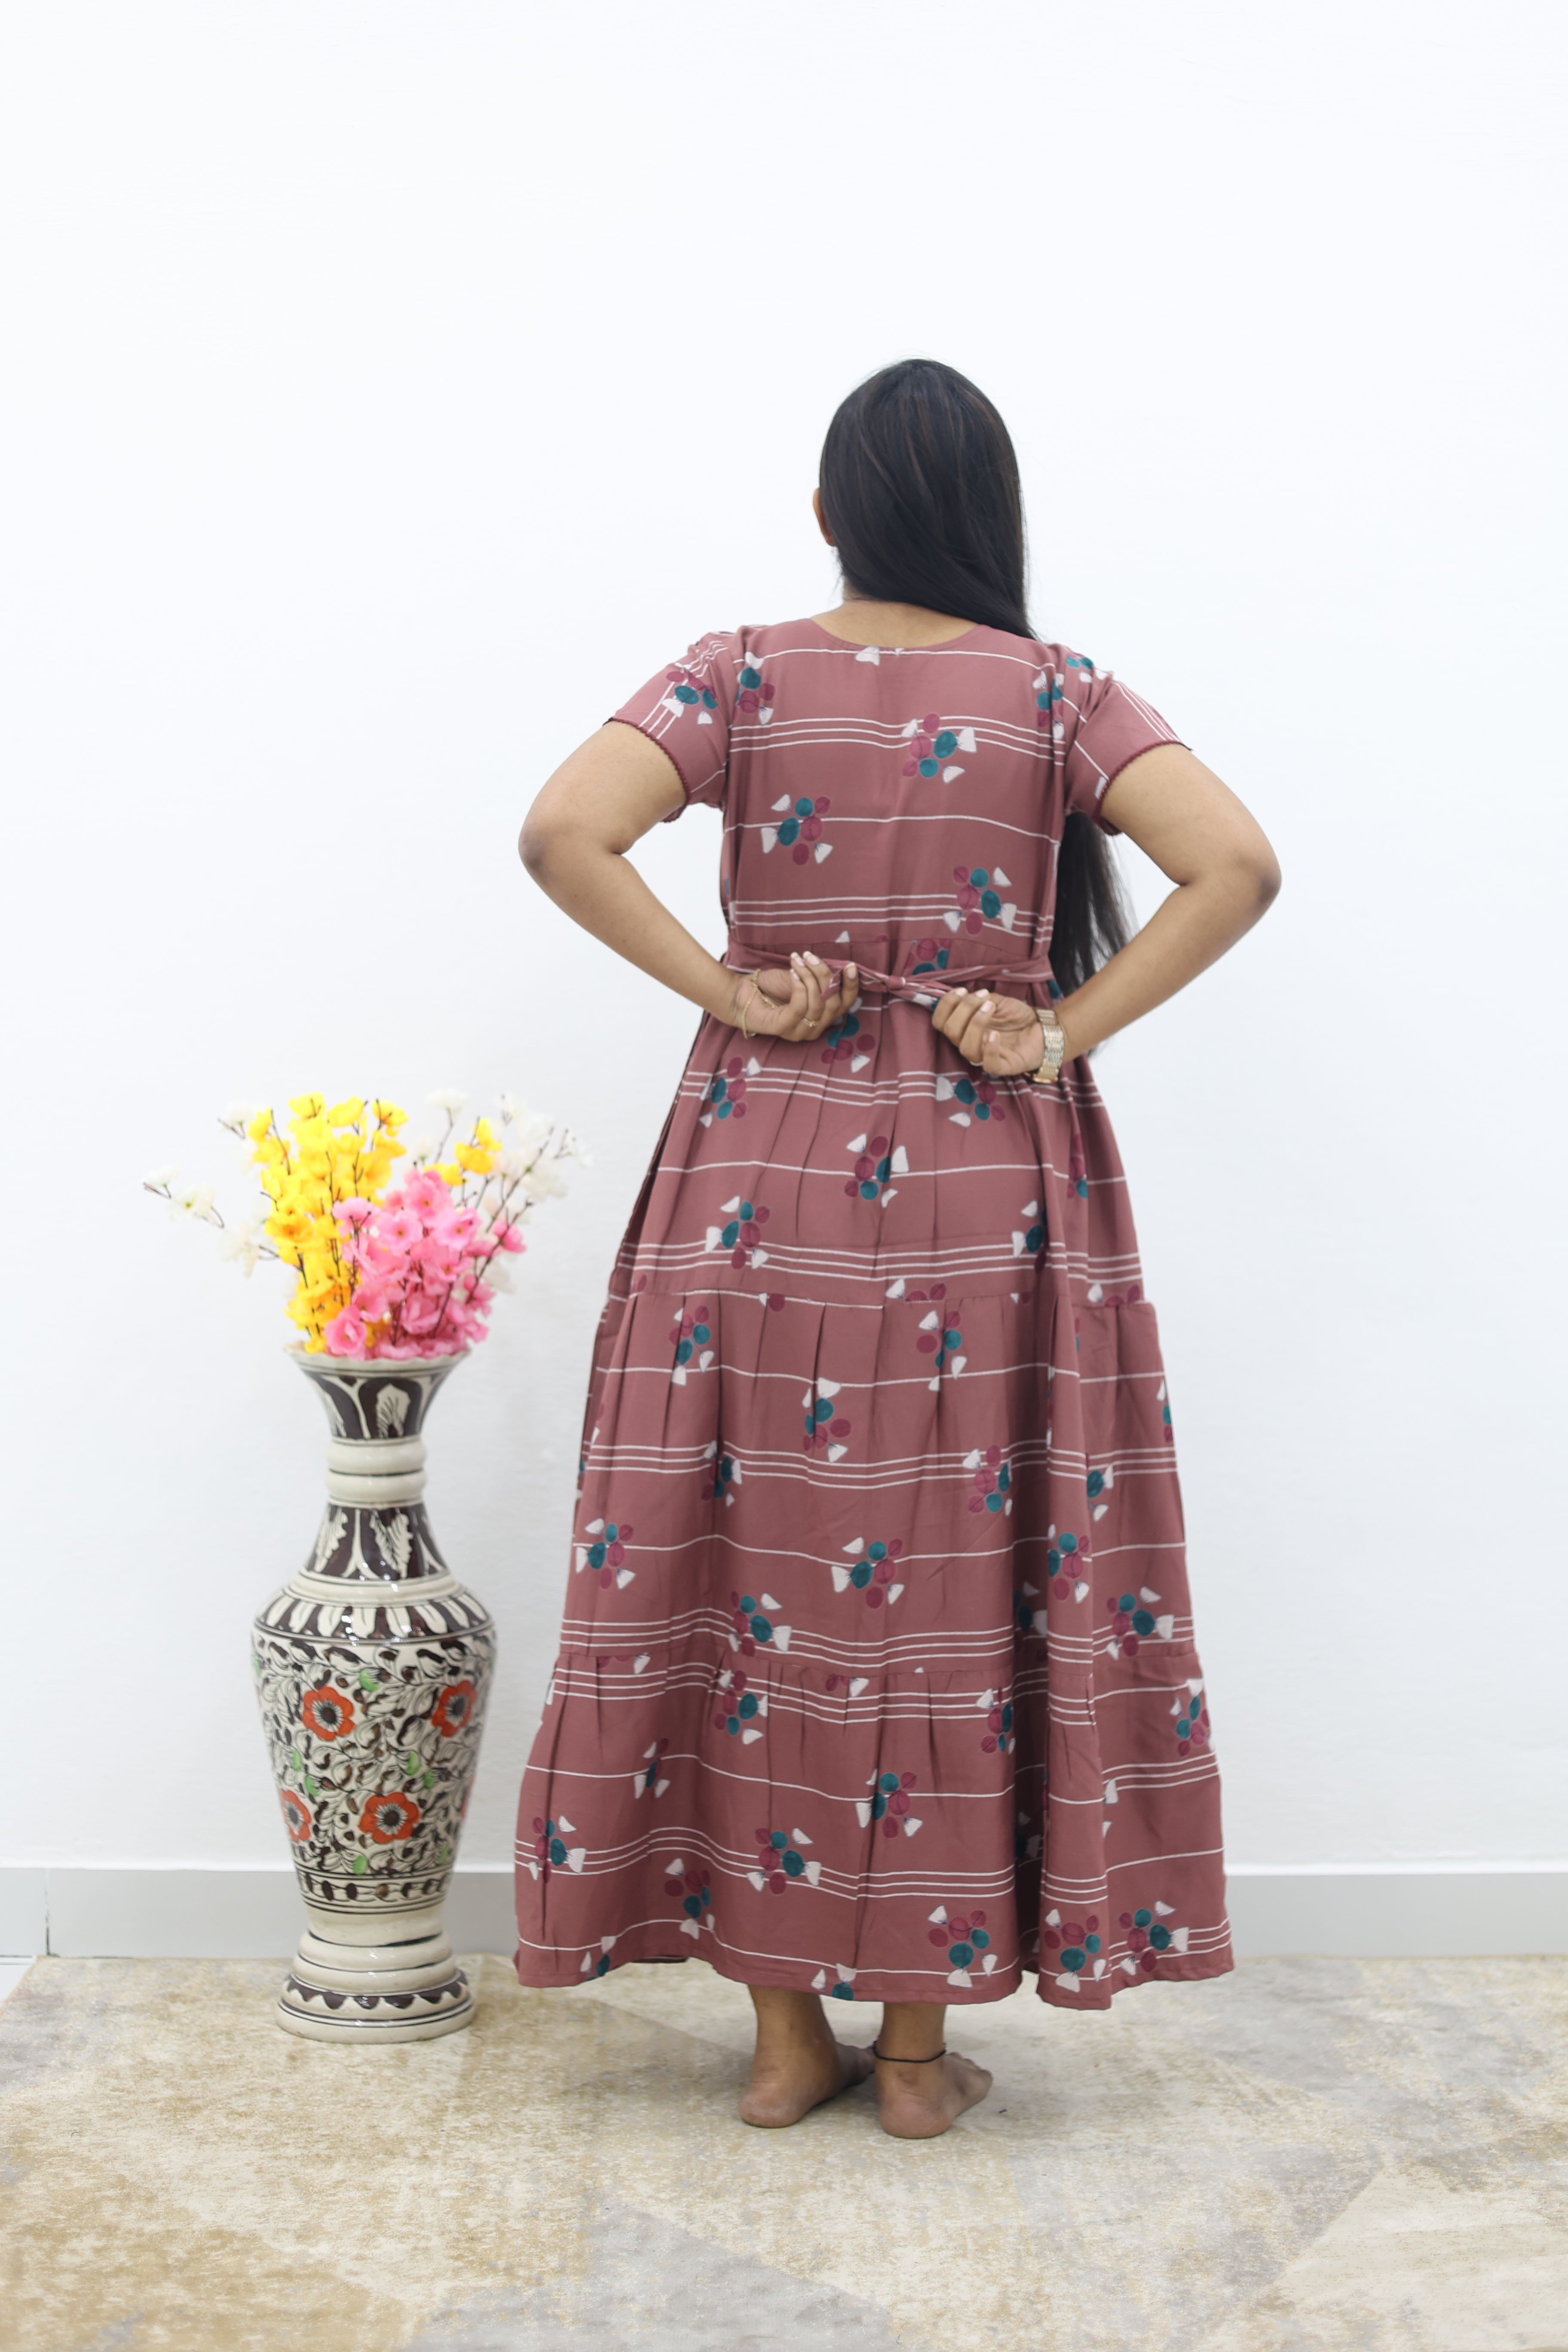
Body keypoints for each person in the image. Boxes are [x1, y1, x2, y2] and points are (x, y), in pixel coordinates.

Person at [513, 359, 1280, 2139]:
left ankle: (786, 2042)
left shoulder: (735, 673)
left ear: (826, 514)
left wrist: (730, 992)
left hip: (754, 1170)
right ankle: (919, 2062)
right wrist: (1058, 1028)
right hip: (981, 1183)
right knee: (956, 1569)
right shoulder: (1057, 692)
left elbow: (561, 829)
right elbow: (1236, 865)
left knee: (744, 1558)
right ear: (991, 516)